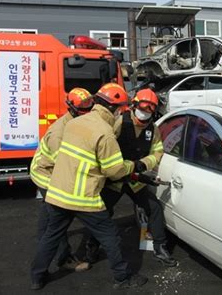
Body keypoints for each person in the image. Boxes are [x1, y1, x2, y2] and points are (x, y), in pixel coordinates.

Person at [30, 83, 148, 290]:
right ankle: (123, 277)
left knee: (51, 235)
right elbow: (114, 170)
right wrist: (133, 165)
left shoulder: (74, 123)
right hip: (83, 197)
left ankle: (37, 278)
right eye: (121, 109)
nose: (122, 113)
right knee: (110, 236)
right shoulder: (104, 132)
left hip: (58, 193)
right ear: (114, 108)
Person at [85, 88, 177, 267]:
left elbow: (157, 151)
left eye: (150, 109)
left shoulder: (153, 129)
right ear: (134, 106)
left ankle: (160, 248)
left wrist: (145, 164)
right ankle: (92, 247)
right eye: (143, 107)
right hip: (115, 179)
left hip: (135, 179)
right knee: (102, 212)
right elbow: (105, 146)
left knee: (154, 209)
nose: (145, 112)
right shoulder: (119, 122)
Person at [30, 87, 93, 273]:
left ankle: (44, 241)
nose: (87, 113)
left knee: (48, 215)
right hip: (47, 175)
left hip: (50, 171)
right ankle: (63, 257)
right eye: (83, 109)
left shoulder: (75, 122)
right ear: (72, 108)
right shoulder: (59, 133)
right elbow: (66, 166)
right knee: (59, 218)